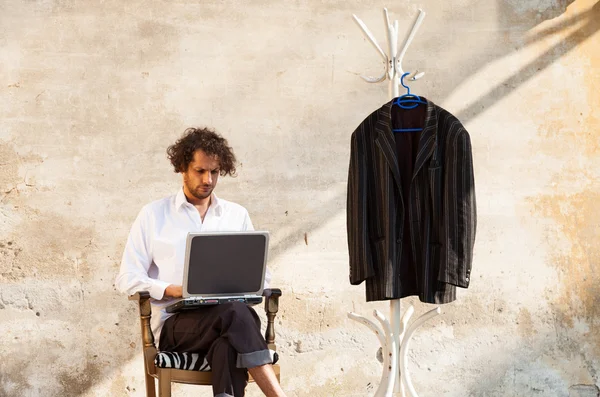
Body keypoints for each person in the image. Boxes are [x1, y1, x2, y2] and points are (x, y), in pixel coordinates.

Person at [115, 127, 286, 397]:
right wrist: (174, 289)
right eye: (200, 170)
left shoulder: (236, 215)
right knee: (237, 315)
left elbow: (260, 277)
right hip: (178, 327)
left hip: (229, 323)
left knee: (228, 342)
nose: (208, 179)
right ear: (182, 167)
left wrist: (242, 288)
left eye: (215, 172)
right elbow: (126, 278)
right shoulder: (153, 215)